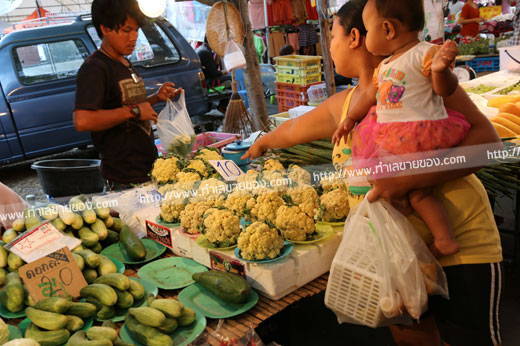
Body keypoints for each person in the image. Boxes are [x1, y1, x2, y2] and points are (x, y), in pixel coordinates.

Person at [243, 0, 503, 345]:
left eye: (332, 35)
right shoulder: (348, 104)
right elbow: (291, 131)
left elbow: (488, 142)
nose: (329, 47)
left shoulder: (420, 76)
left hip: (461, 246)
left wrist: (407, 181)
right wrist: (260, 144)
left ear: (354, 37)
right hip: (399, 256)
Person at [332, 0, 467, 256]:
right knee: (401, 188)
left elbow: (445, 90)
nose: (368, 36)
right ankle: (416, 221)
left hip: (420, 135)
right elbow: (371, 96)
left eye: (369, 31)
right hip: (396, 137)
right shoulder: (383, 66)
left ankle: (443, 238)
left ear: (387, 29)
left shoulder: (425, 53)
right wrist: (350, 119)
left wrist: (440, 71)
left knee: (416, 190)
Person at [73, 0, 181, 189]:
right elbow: (83, 120)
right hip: (123, 179)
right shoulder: (95, 68)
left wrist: (156, 97)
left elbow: (129, 106)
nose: (133, 38)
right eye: (126, 30)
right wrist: (135, 111)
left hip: (146, 170)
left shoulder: (123, 63)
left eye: (136, 30)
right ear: (105, 28)